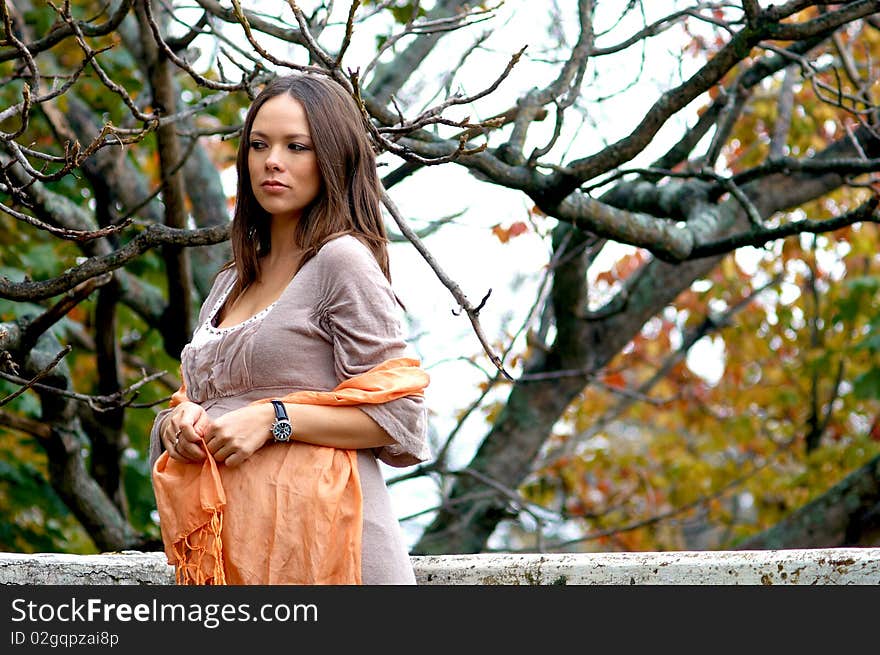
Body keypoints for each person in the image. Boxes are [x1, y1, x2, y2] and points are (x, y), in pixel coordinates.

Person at [148, 73, 430, 585]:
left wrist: (275, 419)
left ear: (331, 157)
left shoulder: (341, 261)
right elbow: (203, 398)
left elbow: (402, 419)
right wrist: (176, 424)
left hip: (332, 554)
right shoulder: (231, 280)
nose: (271, 160)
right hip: (237, 558)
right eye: (259, 145)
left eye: (295, 146)